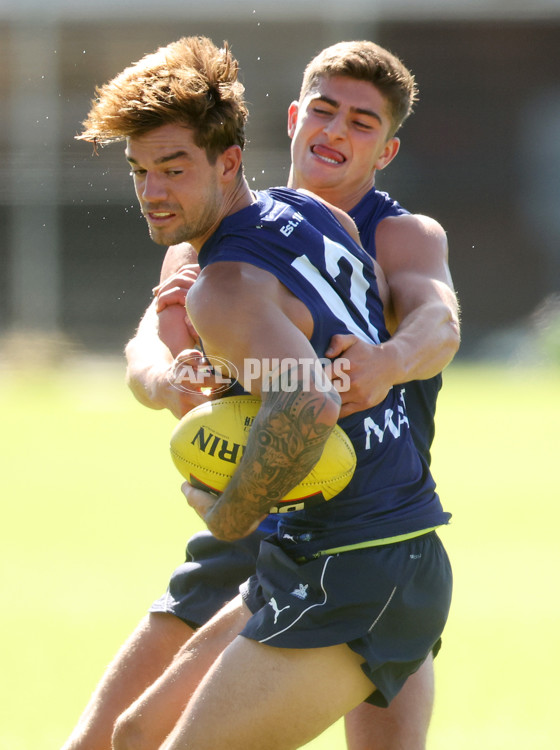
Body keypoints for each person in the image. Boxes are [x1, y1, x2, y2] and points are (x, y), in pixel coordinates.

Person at [63, 39, 459, 750]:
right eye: (140, 172)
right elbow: (283, 359)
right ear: (292, 117)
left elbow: (309, 404)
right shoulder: (316, 220)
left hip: (363, 556)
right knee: (130, 736)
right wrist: (194, 372)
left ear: (229, 161)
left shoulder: (230, 285)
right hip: (318, 545)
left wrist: (230, 511)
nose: (152, 191)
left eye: (173, 169)